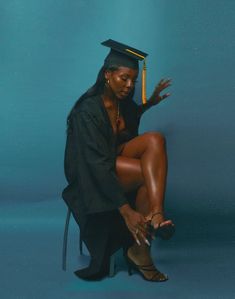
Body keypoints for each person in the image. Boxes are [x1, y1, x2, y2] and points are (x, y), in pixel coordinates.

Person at [62, 39, 175, 281]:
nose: (129, 85)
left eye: (133, 80)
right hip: (89, 173)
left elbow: (128, 122)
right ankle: (140, 251)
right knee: (147, 173)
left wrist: (149, 103)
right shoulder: (87, 111)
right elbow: (95, 163)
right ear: (107, 74)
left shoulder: (122, 103)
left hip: (111, 160)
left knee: (155, 139)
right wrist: (125, 210)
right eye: (124, 78)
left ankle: (156, 213)